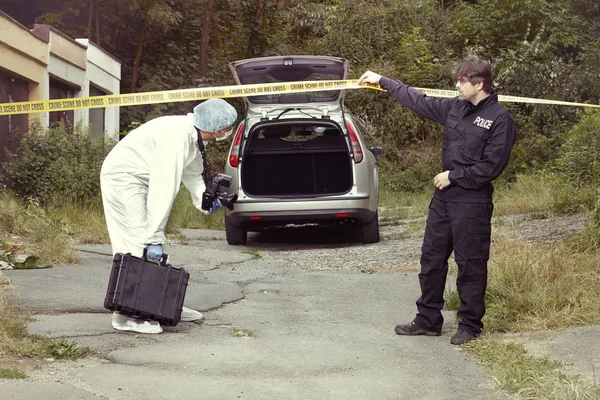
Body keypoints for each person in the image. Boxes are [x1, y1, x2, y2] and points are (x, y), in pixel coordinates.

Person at [358, 57, 516, 345]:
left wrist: (454, 176)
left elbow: (492, 166)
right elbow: (418, 100)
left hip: (472, 202)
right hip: (443, 200)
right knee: (431, 259)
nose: (456, 85)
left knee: (470, 263)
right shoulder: (455, 107)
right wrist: (382, 80)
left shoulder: (500, 119)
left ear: (478, 84)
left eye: (461, 81)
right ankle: (428, 320)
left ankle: (470, 325)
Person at [100, 98, 238, 334]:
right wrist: (154, 236)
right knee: (134, 243)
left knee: (147, 247)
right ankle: (125, 315)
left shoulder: (192, 137)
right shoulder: (176, 137)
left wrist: (204, 203)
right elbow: (163, 189)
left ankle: (158, 304)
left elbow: (192, 174)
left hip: (141, 179)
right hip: (124, 178)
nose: (229, 130)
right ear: (216, 129)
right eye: (228, 127)